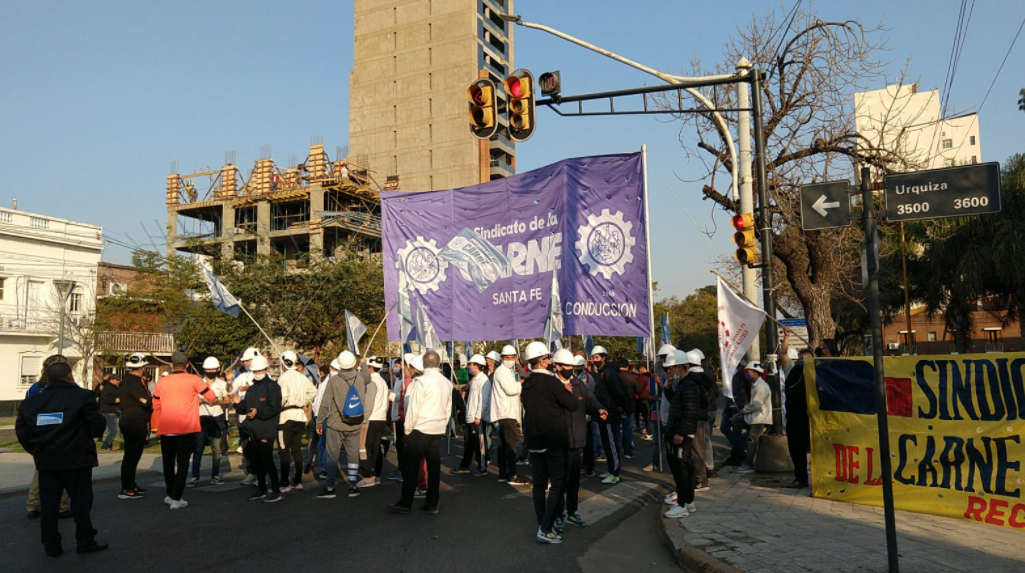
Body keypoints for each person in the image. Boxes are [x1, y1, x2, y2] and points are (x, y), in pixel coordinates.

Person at [17, 361, 108, 557]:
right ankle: (85, 541)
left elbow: (22, 432)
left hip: (47, 461)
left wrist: (37, 450)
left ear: (47, 377)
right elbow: (97, 425)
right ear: (69, 376)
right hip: (77, 460)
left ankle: (51, 546)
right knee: (81, 503)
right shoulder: (83, 396)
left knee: (49, 505)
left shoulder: (32, 401)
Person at [520, 343, 578, 544]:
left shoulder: (527, 383)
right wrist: (567, 391)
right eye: (548, 358)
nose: (551, 361)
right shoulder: (552, 382)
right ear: (543, 361)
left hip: (534, 440)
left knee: (538, 485)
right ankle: (545, 528)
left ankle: (543, 524)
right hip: (553, 439)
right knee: (557, 484)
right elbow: (572, 404)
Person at [387, 350, 452, 515]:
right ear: (438, 363)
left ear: (423, 364)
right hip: (437, 428)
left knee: (411, 468)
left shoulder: (420, 381)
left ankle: (405, 503)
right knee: (434, 468)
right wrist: (443, 425)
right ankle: (432, 503)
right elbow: (448, 408)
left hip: (420, 428)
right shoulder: (446, 382)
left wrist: (408, 430)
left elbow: (413, 408)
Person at [153, 351, 219, 509]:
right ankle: (177, 497)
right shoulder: (193, 379)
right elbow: (211, 396)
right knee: (182, 463)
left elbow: (155, 404)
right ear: (187, 365)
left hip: (166, 428)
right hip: (186, 428)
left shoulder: (162, 381)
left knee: (168, 463)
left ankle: (170, 494)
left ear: (171, 365)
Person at [552, 349, 606, 532]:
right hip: (559, 441)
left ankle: (572, 511)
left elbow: (590, 401)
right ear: (557, 366)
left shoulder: (578, 384)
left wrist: (599, 409)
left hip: (578, 439)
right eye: (566, 366)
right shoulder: (552, 385)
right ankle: (558, 515)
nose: (570, 369)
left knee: (574, 480)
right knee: (560, 481)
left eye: (572, 366)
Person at [316, 350, 376, 499]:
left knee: (332, 456)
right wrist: (363, 363)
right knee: (353, 454)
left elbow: (324, 404)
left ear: (339, 365)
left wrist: (319, 422)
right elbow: (368, 376)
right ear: (354, 364)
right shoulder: (361, 378)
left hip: (335, 424)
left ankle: (330, 487)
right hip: (355, 423)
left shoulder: (333, 381)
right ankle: (353, 486)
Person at [231, 355, 284, 502]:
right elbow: (246, 407)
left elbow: (274, 408)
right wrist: (238, 403)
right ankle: (262, 489)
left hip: (267, 429)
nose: (257, 373)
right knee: (257, 460)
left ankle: (276, 490)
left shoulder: (273, 387)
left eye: (260, 370)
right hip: (253, 429)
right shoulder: (252, 388)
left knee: (267, 460)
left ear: (266, 369)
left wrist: (258, 412)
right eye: (255, 371)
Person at [25, 355, 73, 519]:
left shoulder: (35, 388)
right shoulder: (67, 388)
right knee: (64, 471)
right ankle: (61, 506)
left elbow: (27, 410)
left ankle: (33, 504)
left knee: (41, 470)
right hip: (62, 434)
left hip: (40, 434)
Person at [663, 350, 701, 519]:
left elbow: (690, 411)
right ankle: (688, 501)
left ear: (679, 367)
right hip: (680, 432)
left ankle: (682, 504)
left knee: (682, 469)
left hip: (682, 434)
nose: (669, 372)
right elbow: (677, 404)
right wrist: (668, 390)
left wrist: (681, 432)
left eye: (671, 368)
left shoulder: (689, 385)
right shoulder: (683, 385)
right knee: (685, 467)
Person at [276, 350, 317, 492]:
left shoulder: (283, 378)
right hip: (299, 416)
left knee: (284, 450)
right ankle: (298, 481)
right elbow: (313, 391)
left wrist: (278, 407)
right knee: (297, 450)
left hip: (285, 416)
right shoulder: (302, 377)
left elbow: (283, 396)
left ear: (284, 363)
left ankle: (284, 483)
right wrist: (302, 402)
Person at [118, 353, 154, 499]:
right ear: (142, 367)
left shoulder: (127, 380)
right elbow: (145, 401)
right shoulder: (134, 382)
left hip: (132, 422)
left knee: (133, 457)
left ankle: (131, 484)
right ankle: (126, 488)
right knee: (131, 457)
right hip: (134, 423)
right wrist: (152, 400)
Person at [189, 356, 229, 487]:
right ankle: (195, 477)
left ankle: (215, 476)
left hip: (217, 418)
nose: (211, 371)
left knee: (216, 449)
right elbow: (191, 401)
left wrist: (218, 401)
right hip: (201, 418)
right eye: (208, 369)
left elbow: (227, 401)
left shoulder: (222, 384)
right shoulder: (198, 383)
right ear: (204, 370)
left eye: (213, 369)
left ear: (217, 369)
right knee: (198, 448)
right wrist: (202, 401)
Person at [491, 344, 527, 485]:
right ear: (502, 358)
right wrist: (520, 383)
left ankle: (503, 473)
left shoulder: (506, 371)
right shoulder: (502, 371)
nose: (510, 360)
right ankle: (512, 474)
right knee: (511, 445)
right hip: (506, 413)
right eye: (507, 357)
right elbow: (511, 390)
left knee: (503, 445)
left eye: (512, 357)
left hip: (505, 412)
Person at [590, 346, 626, 484]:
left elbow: (617, 391)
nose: (595, 360)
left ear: (604, 357)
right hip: (603, 412)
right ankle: (611, 469)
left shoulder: (609, 372)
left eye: (597, 357)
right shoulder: (601, 372)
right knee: (606, 443)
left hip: (610, 413)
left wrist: (620, 407)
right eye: (593, 357)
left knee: (611, 443)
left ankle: (615, 472)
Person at [686, 350, 719, 490]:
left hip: (699, 414)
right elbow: (715, 392)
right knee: (706, 440)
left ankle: (704, 473)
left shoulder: (693, 378)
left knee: (700, 444)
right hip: (710, 410)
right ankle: (708, 467)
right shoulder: (709, 374)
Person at [358, 356, 392, 488]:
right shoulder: (382, 381)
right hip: (381, 418)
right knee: (375, 448)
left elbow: (368, 403)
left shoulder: (372, 381)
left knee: (364, 447)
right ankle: (375, 474)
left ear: (370, 368)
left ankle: (368, 476)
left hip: (371, 418)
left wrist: (364, 419)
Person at [784, 347, 815, 488]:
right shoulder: (793, 371)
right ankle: (801, 478)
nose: (804, 360)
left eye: (807, 358)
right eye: (802, 358)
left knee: (816, 450)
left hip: (811, 418)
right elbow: (783, 354)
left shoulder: (816, 372)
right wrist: (786, 337)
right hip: (794, 417)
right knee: (796, 450)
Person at [454, 354, 488, 476]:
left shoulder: (483, 380)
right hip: (470, 417)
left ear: (477, 365)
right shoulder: (475, 380)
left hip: (476, 418)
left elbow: (484, 400)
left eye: (471, 364)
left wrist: (478, 416)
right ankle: (465, 465)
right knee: (468, 443)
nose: (469, 367)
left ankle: (482, 467)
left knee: (479, 444)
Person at [735, 362, 771, 474]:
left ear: (755, 373)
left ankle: (748, 464)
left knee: (752, 441)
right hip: (755, 417)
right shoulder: (756, 385)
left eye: (749, 372)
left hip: (759, 418)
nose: (747, 374)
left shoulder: (761, 386)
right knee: (735, 423)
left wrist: (744, 410)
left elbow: (756, 405)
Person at [232, 347, 260, 485]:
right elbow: (232, 388)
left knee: (257, 446)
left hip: (257, 415)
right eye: (245, 361)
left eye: (248, 361)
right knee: (246, 445)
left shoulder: (263, 377)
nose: (245, 364)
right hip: (243, 414)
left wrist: (250, 389)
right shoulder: (243, 376)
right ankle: (251, 472)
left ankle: (260, 474)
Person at [98, 374, 121, 451]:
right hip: (108, 411)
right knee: (114, 430)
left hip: (114, 411)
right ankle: (105, 446)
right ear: (111, 380)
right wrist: (115, 400)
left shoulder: (116, 388)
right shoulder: (107, 388)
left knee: (113, 430)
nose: (118, 381)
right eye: (117, 380)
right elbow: (105, 399)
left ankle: (109, 446)